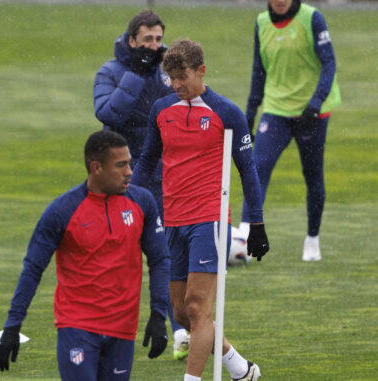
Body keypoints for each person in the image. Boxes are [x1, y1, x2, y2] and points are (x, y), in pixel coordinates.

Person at [131, 39, 270, 381]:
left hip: (210, 218)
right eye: (171, 78)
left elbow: (247, 170)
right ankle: (240, 368)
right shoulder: (161, 110)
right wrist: (128, 202)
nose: (177, 85)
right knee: (181, 312)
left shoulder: (227, 112)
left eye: (183, 77)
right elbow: (148, 160)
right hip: (172, 219)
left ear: (201, 71)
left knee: (197, 307)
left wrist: (257, 223)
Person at [0, 130, 171, 380]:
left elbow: (160, 259)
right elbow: (33, 269)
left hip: (123, 329)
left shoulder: (142, 202)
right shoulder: (62, 211)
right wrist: (12, 326)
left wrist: (158, 314)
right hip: (77, 327)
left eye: (129, 163)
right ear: (96, 168)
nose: (129, 171)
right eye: (120, 165)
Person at [93, 9, 190, 360]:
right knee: (116, 254)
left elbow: (194, 102)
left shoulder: (168, 74)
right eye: (146, 40)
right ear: (132, 40)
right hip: (119, 182)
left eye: (158, 40)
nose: (153, 46)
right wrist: (136, 73)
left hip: (164, 179)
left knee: (166, 255)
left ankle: (178, 329)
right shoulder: (111, 71)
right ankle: (106, 326)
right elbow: (109, 115)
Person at [240, 0, 341, 262]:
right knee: (257, 167)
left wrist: (316, 104)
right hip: (276, 110)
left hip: (312, 112)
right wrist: (250, 113)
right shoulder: (261, 22)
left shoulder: (312, 18)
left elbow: (329, 63)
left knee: (312, 174)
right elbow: (258, 71)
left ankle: (312, 238)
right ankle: (244, 236)